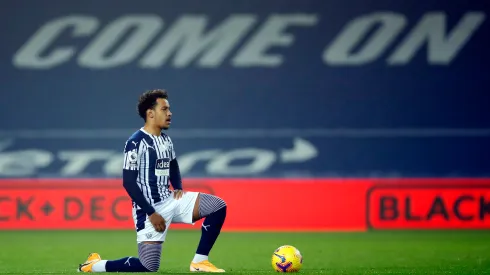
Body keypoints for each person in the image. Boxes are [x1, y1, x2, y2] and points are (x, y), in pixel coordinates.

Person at [78, 89, 227, 273]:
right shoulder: (135, 143)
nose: (170, 113)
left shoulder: (165, 140)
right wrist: (151, 212)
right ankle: (95, 265)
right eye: (164, 109)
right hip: (149, 210)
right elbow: (128, 182)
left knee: (217, 206)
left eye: (169, 109)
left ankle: (200, 261)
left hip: (171, 199)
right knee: (149, 266)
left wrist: (178, 186)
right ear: (150, 113)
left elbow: (173, 165)